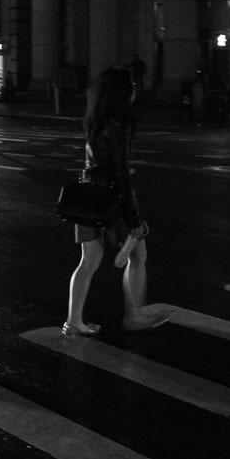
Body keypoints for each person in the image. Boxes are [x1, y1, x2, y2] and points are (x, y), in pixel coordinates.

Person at [63, 66, 168, 337]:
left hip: (88, 197)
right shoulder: (121, 124)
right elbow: (121, 172)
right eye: (130, 86)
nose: (134, 89)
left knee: (88, 261)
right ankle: (133, 315)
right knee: (138, 254)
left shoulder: (95, 120)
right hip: (111, 199)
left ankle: (73, 321)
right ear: (121, 93)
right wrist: (134, 217)